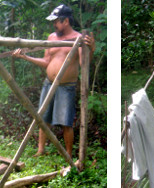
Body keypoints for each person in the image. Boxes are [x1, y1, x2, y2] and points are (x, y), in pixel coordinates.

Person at [11, 4, 94, 159]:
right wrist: (26, 57)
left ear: (66, 21)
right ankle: (41, 150)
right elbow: (46, 61)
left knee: (65, 122)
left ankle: (68, 155)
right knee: (43, 117)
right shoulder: (51, 38)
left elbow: (84, 64)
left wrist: (91, 48)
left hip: (66, 86)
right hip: (48, 83)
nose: (54, 24)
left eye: (56, 21)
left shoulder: (78, 39)